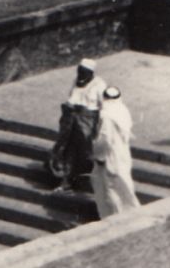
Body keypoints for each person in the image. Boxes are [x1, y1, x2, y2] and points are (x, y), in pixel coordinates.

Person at [46, 59, 108, 190]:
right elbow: (72, 97)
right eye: (79, 71)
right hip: (71, 122)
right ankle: (66, 180)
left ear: (91, 73)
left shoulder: (99, 84)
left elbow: (104, 107)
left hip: (87, 123)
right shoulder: (77, 81)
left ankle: (86, 181)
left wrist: (99, 126)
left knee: (86, 151)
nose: (80, 74)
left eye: (83, 72)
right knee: (67, 149)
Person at [90, 87, 140, 217]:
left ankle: (116, 217)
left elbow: (104, 138)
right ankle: (130, 214)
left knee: (110, 190)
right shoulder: (122, 110)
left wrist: (99, 157)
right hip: (122, 155)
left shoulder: (106, 116)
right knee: (124, 186)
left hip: (110, 157)